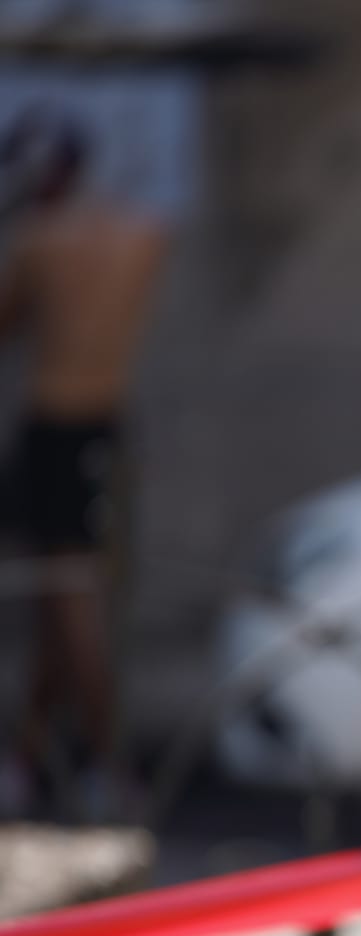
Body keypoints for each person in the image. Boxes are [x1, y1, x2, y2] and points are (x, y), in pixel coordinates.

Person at [0, 108, 169, 820]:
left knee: (69, 597)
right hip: (109, 425)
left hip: (56, 424)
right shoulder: (141, 234)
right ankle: (29, 757)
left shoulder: (41, 241)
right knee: (62, 593)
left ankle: (106, 759)